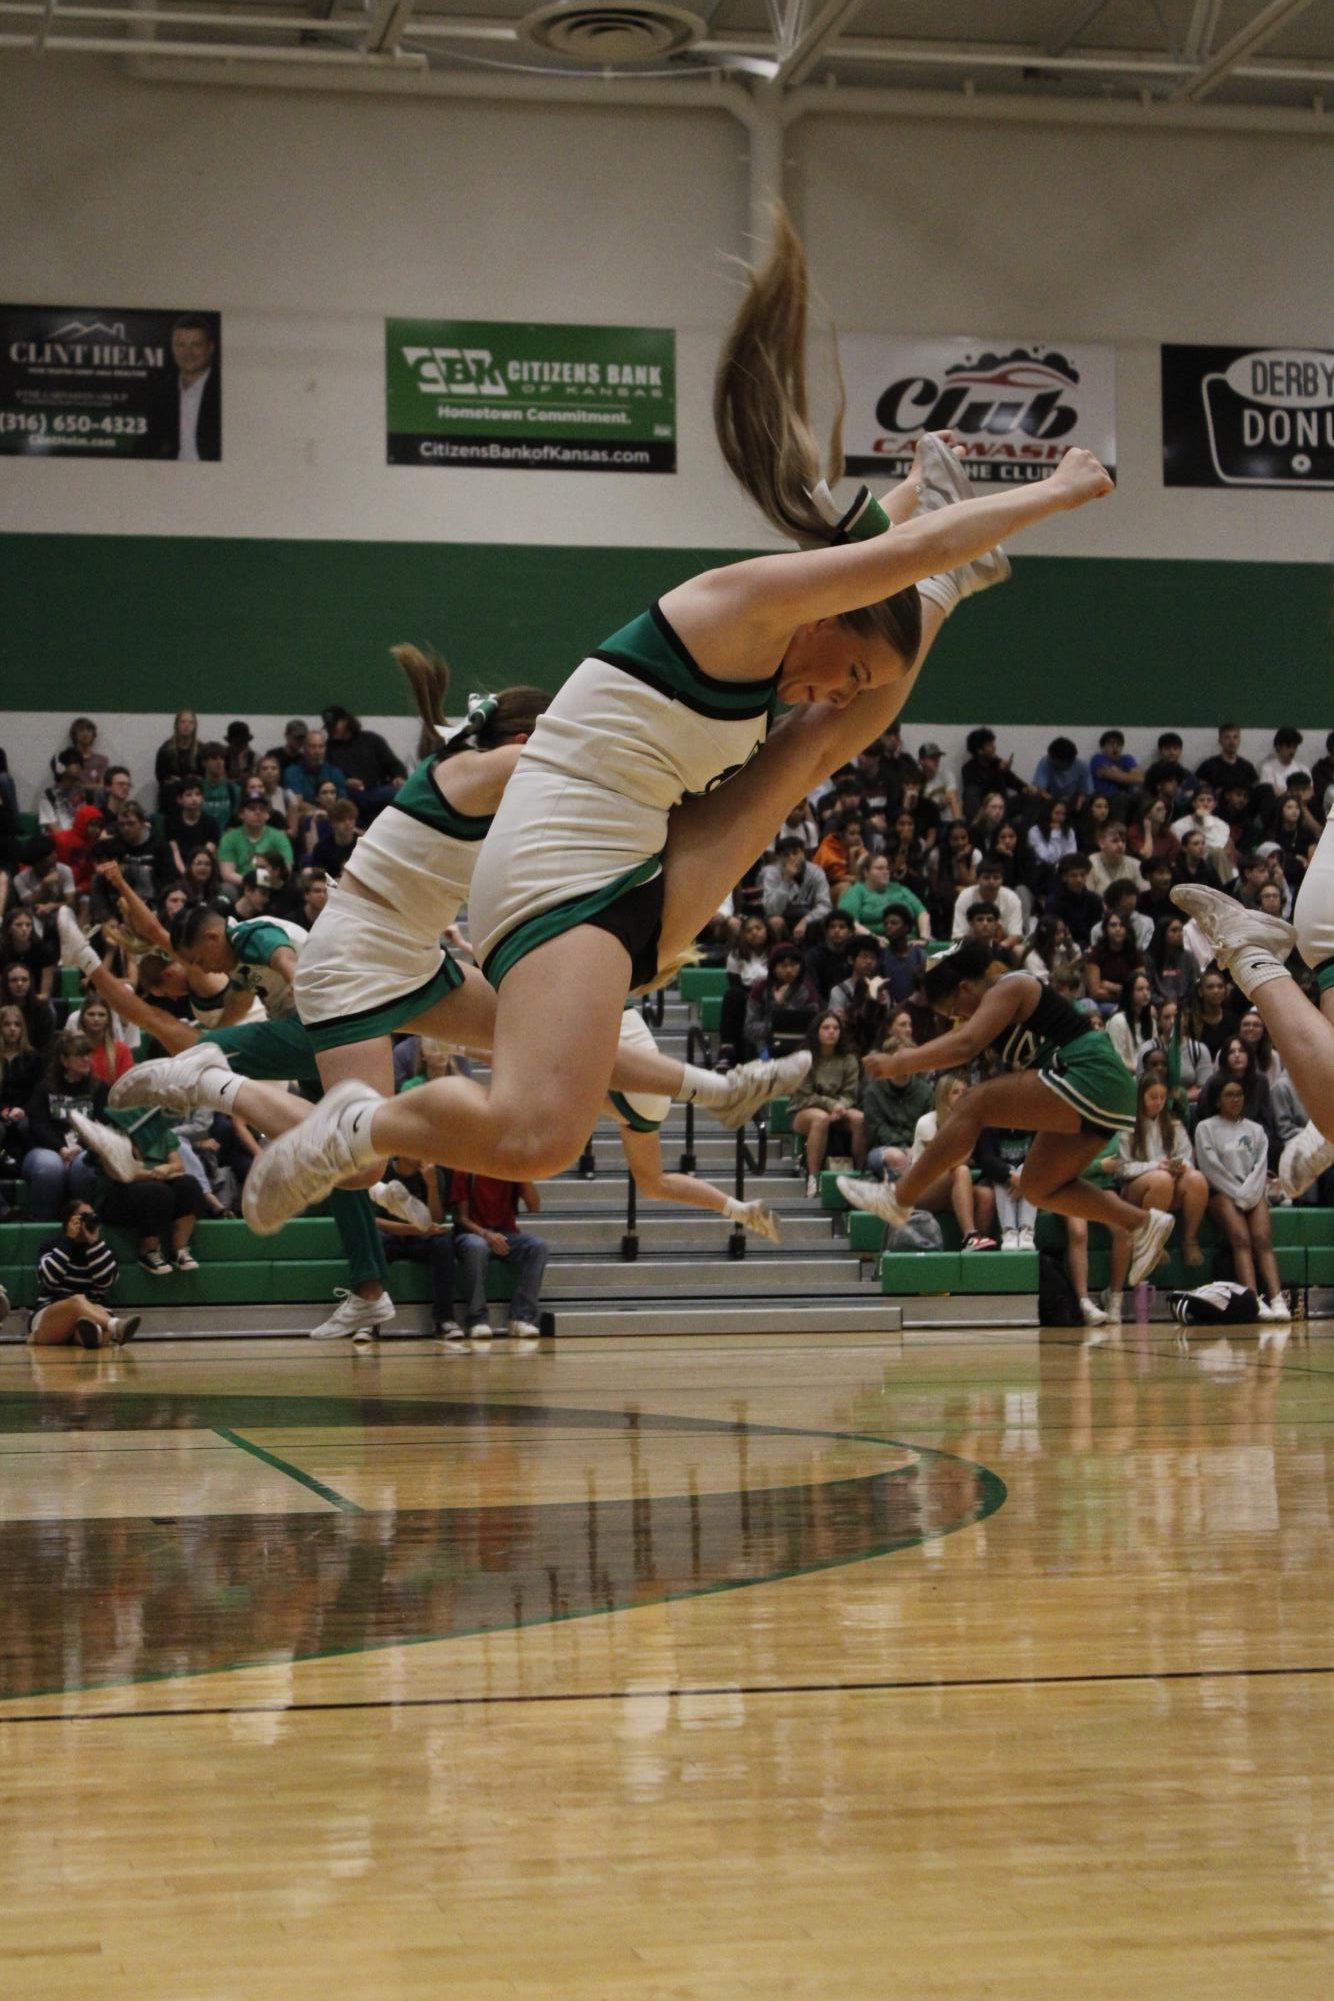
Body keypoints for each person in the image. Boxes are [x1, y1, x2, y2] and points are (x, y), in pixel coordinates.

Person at [242, 209, 1110, 1229]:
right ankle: (357, 1125)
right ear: (826, 612)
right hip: (562, 854)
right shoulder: (736, 610)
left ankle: (958, 584)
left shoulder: (799, 656)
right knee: (538, 1135)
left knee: (831, 738)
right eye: (850, 661)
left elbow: (872, 588)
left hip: (623, 847)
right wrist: (1051, 492)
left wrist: (915, 503)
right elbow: (880, 564)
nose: (837, 684)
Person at [844, 940, 1172, 1285]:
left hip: (1090, 1072)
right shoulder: (996, 998)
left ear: (966, 987)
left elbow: (964, 1045)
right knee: (1038, 1187)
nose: (961, 1018)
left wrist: (899, 1061)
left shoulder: (1012, 985)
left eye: (957, 1010)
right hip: (1099, 1087)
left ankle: (899, 1198)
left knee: (974, 1103)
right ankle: (1142, 1224)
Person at [841, 1069, 997, 1250]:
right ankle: (969, 1235)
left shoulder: (968, 1123)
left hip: (950, 1189)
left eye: (964, 1092)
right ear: (943, 1096)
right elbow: (947, 1163)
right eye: (955, 1092)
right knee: (961, 1170)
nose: (961, 1096)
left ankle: (978, 1251)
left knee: (986, 1195)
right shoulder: (927, 1122)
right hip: (920, 1189)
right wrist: (972, 1134)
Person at [1193, 1079, 1289, 1322]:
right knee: (1241, 1238)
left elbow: (1260, 1166)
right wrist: (1238, 1193)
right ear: (1217, 1099)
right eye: (1229, 1094)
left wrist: (1249, 1193)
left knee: (1262, 1239)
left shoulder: (1256, 1130)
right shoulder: (1206, 1128)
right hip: (1222, 1193)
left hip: (1252, 1191)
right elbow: (1210, 1167)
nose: (1235, 1099)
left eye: (1239, 1094)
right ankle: (1253, 1299)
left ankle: (1277, 1299)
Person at [1115, 1075, 1209, 1268]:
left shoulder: (1172, 1123)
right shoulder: (1127, 1124)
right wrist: (1156, 1166)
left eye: (1162, 1097)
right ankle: (1152, 1243)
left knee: (1197, 1179)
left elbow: (1186, 1155)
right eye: (1153, 1097)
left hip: (1168, 1184)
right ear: (1140, 1097)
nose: (1158, 1102)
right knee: (1161, 1179)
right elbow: (1122, 1168)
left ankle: (1189, 1240)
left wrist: (1181, 1166)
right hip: (1135, 1190)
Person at [27, 1199, 140, 1349]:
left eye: (92, 1216)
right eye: (83, 1217)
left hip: (93, 1311)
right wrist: (68, 1241)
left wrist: (94, 1244)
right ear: (69, 1221)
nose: (89, 1220)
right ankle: (116, 1325)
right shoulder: (52, 1246)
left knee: (93, 1327)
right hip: (53, 1312)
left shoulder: (103, 1249)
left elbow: (105, 1282)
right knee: (77, 1301)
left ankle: (93, 1336)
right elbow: (49, 1280)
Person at [370, 1156, 462, 1340]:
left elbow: (436, 1220)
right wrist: (412, 1229)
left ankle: (444, 1319)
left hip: (421, 1239)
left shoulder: (433, 1173)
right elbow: (373, 1221)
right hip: (392, 1235)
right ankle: (369, 1321)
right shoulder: (382, 1172)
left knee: (443, 1245)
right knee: (374, 1244)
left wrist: (432, 1185)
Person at [450, 1171, 548, 1341]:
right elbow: (462, 1219)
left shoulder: (509, 1169)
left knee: (538, 1246)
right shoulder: (466, 1168)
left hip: (505, 1234)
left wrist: (523, 1172)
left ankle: (521, 1317)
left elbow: (534, 1206)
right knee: (477, 1246)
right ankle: (477, 1319)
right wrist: (487, 1235)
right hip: (473, 1233)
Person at [23, 1030, 104, 1220]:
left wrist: (80, 1147)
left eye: (88, 1054)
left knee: (84, 1165)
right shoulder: (45, 1087)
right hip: (47, 1148)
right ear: (64, 1060)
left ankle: (83, 1222)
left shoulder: (99, 1088)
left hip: (85, 1147)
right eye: (79, 1055)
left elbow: (102, 1126)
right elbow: (38, 1124)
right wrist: (60, 1148)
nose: (86, 1059)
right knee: (49, 1168)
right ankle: (43, 1224)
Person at [787, 1010, 865, 1198]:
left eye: (836, 1028)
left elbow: (849, 1092)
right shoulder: (805, 1058)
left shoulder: (849, 1059)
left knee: (860, 1119)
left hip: (839, 1109)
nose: (832, 1032)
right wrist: (832, 1105)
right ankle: (813, 1177)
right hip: (803, 1108)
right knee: (820, 1119)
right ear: (817, 1031)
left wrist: (841, 1106)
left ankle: (862, 1172)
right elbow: (805, 1094)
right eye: (826, 1027)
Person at [322, 706, 407, 818]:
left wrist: (398, 777)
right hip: (350, 795)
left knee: (396, 793)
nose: (331, 731)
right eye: (328, 728)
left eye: (334, 726)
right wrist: (345, 782)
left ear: (345, 721)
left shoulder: (371, 740)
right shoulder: (328, 749)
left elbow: (394, 765)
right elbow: (326, 777)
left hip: (379, 790)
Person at [156, 314, 221, 462]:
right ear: (173, 348)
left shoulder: (222, 391)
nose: (188, 353)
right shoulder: (162, 392)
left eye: (196, 345)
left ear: (210, 348)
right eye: (181, 345)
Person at [839, 849, 928, 941]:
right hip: (872, 945)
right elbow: (850, 922)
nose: (885, 872)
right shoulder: (856, 891)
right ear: (866, 872)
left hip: (909, 942)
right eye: (879, 868)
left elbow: (922, 913)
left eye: (887, 868)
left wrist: (924, 937)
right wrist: (875, 938)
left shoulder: (900, 889)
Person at [760, 835, 833, 941]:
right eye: (786, 855)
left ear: (803, 853)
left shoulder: (816, 872)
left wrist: (805, 920)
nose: (792, 858)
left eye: (795, 853)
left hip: (808, 916)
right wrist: (785, 881)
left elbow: (825, 905)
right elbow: (772, 911)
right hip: (783, 916)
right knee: (775, 921)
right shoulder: (772, 874)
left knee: (826, 919)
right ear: (779, 858)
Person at [218, 794, 295, 888]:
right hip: (242, 885)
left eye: (262, 809)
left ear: (267, 815)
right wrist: (253, 883)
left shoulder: (279, 837)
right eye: (252, 809)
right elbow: (227, 874)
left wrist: (264, 883)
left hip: (272, 886)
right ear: (241, 814)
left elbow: (286, 870)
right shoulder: (229, 838)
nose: (258, 812)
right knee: (226, 888)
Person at [166, 778, 221, 877]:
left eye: (197, 794)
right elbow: (175, 852)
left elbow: (206, 853)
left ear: (202, 798)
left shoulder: (211, 823)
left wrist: (194, 874)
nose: (194, 798)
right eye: (189, 795)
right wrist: (185, 874)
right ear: (179, 799)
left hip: (203, 868)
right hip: (179, 870)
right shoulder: (171, 822)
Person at [1107, 970, 1156, 1074]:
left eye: (1148, 989)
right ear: (1129, 993)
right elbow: (1117, 1059)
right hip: (1125, 1075)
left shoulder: (1151, 1022)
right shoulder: (1118, 1021)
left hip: (1147, 1075)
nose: (1146, 993)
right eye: (1140, 989)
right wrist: (1142, 1070)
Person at [154, 709, 201, 815]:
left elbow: (203, 777)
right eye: (183, 722)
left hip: (194, 797)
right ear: (176, 725)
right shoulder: (166, 749)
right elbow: (161, 777)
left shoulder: (200, 750)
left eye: (190, 722)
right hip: (171, 798)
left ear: (195, 726)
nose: (187, 725)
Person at [1196, 724, 1258, 801]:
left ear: (1239, 740)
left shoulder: (1247, 767)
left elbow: (1255, 792)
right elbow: (1197, 792)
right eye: (1227, 737)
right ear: (1220, 740)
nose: (1232, 742)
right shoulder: (1208, 766)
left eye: (1235, 737)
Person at [1031, 736, 1090, 807]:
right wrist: (1057, 803)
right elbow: (1040, 790)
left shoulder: (1082, 766)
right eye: (1049, 756)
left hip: (1072, 802)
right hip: (1049, 801)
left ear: (1067, 762)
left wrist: (1078, 802)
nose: (1049, 759)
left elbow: (1085, 793)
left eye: (1053, 758)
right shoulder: (1045, 761)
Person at [1089, 729, 1144, 805]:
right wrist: (1127, 776)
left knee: (1142, 796)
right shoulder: (1098, 759)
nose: (1115, 747)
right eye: (1111, 744)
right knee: (1121, 797)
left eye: (1119, 744)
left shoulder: (1127, 758)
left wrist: (1119, 773)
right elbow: (1116, 777)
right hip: (1106, 799)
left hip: (1129, 797)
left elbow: (1140, 778)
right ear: (1103, 747)